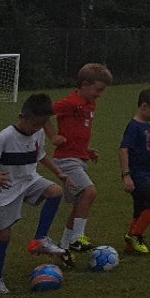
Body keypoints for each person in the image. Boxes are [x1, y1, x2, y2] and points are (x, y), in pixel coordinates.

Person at [0, 93, 70, 295]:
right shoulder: (6, 136)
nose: (37, 128)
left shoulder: (38, 133)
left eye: (42, 124)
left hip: (28, 180)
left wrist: (58, 172)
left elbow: (41, 156)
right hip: (5, 186)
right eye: (35, 124)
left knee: (55, 192)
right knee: (3, 235)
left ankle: (40, 239)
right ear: (22, 116)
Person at [50, 61, 112, 252]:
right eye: (98, 90)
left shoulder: (90, 104)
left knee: (79, 205)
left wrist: (87, 149)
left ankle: (64, 246)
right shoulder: (70, 103)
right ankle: (77, 238)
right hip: (66, 159)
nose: (100, 94)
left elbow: (77, 132)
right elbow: (42, 113)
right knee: (89, 192)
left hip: (79, 157)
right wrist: (53, 136)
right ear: (84, 84)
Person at [119, 87, 150, 254]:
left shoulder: (147, 126)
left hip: (144, 173)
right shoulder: (133, 127)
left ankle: (130, 246)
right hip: (136, 175)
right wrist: (127, 176)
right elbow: (124, 150)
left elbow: (144, 151)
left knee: (140, 209)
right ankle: (135, 235)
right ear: (144, 106)